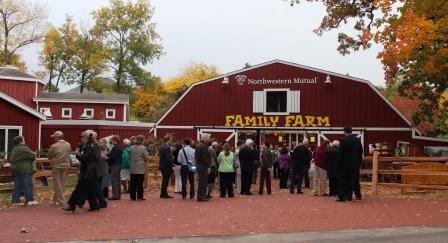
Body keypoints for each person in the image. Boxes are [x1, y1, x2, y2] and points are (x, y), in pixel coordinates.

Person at [65, 130, 102, 212]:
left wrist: (77, 154)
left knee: (79, 188)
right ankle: (94, 206)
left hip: (89, 171)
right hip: (91, 171)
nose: (81, 139)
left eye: (82, 137)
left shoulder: (90, 146)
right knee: (90, 189)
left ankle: (72, 205)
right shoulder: (92, 145)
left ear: (86, 138)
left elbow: (85, 159)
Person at [10, 136, 39, 206]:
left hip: (15, 169)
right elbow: (33, 156)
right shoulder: (23, 148)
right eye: (24, 140)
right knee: (28, 185)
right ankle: (30, 200)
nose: (24, 141)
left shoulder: (15, 148)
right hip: (24, 169)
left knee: (17, 186)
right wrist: (34, 154)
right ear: (21, 141)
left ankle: (15, 201)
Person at [338, 127, 363, 202]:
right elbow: (360, 152)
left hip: (345, 164)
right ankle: (355, 196)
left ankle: (346, 196)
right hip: (355, 164)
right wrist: (359, 162)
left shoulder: (343, 140)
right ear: (351, 131)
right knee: (354, 180)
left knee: (345, 180)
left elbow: (340, 153)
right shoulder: (357, 140)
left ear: (345, 132)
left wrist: (340, 163)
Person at [47, 131, 71, 206]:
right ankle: (55, 199)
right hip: (66, 165)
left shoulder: (54, 146)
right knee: (62, 183)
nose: (54, 138)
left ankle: (61, 200)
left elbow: (49, 156)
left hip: (56, 166)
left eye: (54, 137)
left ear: (57, 137)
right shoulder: (68, 145)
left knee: (57, 183)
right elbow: (69, 154)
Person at [130, 135, 149, 201]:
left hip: (132, 166)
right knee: (140, 183)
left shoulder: (131, 147)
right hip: (140, 167)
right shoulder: (143, 148)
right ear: (142, 141)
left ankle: (132, 196)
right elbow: (146, 158)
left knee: (133, 183)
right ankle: (140, 196)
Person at [195, 133, 212, 202]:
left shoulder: (198, 145)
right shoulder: (204, 146)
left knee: (201, 182)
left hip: (199, 165)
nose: (209, 140)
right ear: (205, 139)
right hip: (203, 166)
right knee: (203, 182)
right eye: (208, 138)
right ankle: (202, 196)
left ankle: (200, 196)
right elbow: (204, 158)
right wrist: (208, 166)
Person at [108, 135, 123, 200]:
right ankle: (118, 194)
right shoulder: (119, 147)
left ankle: (115, 195)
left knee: (114, 180)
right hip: (119, 164)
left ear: (114, 140)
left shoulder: (115, 148)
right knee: (117, 180)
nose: (110, 141)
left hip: (115, 165)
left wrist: (107, 158)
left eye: (111, 140)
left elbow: (113, 157)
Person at [98, 138, 110, 203]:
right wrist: (100, 157)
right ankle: (100, 196)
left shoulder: (108, 149)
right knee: (100, 182)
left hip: (106, 167)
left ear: (105, 143)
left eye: (101, 142)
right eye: (99, 142)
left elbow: (110, 157)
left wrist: (108, 158)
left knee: (105, 181)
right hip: (99, 168)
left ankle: (105, 196)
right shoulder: (97, 150)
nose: (100, 144)